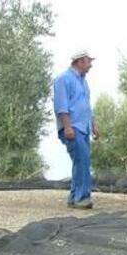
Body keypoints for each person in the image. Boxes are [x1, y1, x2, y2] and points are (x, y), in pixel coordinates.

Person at [53, 50, 99, 209]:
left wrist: (93, 124)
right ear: (79, 62)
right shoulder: (63, 79)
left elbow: (86, 104)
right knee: (82, 161)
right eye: (88, 62)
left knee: (82, 161)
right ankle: (82, 198)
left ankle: (74, 197)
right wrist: (67, 127)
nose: (91, 65)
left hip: (83, 127)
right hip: (72, 127)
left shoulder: (83, 82)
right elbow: (61, 106)